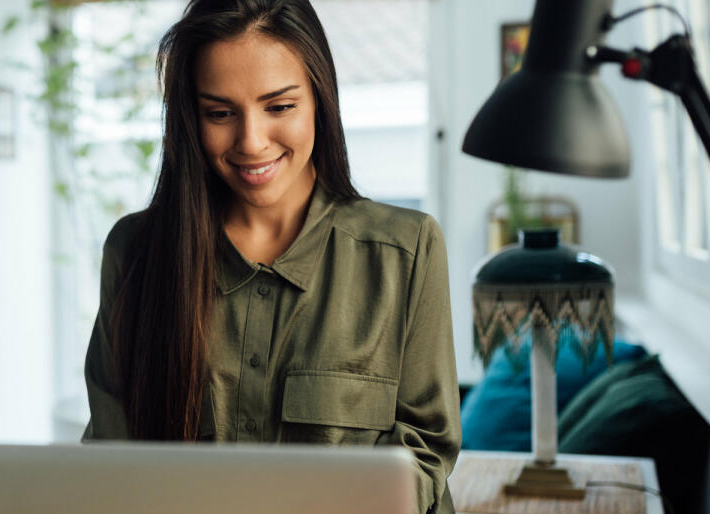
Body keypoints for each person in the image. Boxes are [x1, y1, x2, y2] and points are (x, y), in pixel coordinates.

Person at [81, 1, 459, 512]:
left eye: (279, 107)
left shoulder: (406, 252)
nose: (252, 142)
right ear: (190, 118)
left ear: (319, 100)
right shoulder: (134, 253)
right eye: (219, 113)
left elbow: (425, 449)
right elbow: (111, 464)